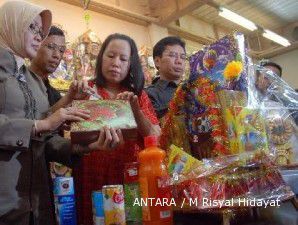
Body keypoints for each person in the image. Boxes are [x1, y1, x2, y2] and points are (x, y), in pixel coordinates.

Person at [0, 2, 102, 225]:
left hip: (36, 202)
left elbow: (44, 141)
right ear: (11, 24)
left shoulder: (34, 81)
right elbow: (41, 127)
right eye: (32, 28)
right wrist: (40, 125)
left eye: (41, 31)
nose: (38, 36)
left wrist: (78, 147)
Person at [74, 33, 160, 225]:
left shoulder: (138, 95)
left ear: (131, 64)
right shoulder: (84, 90)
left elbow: (154, 136)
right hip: (91, 175)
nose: (116, 63)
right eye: (110, 56)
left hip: (129, 177)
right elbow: (70, 136)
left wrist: (135, 109)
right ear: (101, 57)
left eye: (123, 59)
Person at [145, 36, 186, 119]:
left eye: (183, 57)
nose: (179, 61)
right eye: (172, 55)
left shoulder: (193, 87)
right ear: (157, 61)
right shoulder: (149, 94)